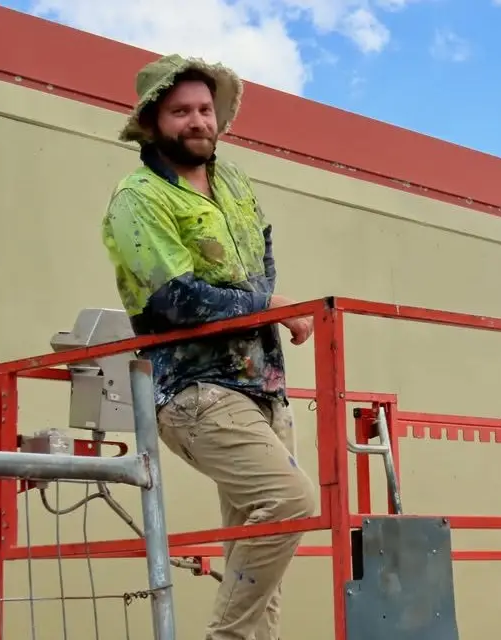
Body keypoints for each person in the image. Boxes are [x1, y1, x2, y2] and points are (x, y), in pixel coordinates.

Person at [101, 54, 316, 640]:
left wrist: (267, 303)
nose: (198, 121)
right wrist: (268, 308)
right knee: (292, 502)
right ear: (151, 122)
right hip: (195, 390)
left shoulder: (233, 181)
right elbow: (176, 299)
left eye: (205, 109)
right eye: (181, 112)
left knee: (260, 549)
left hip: (263, 384)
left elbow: (262, 257)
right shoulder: (138, 198)